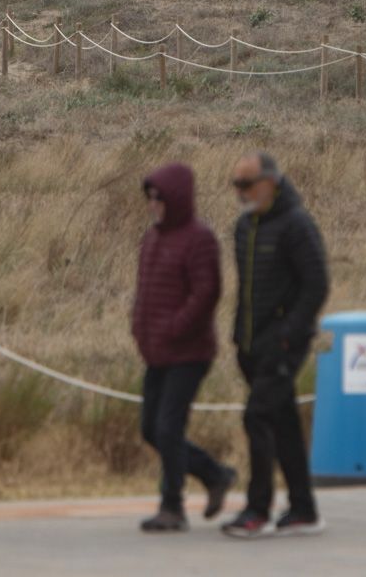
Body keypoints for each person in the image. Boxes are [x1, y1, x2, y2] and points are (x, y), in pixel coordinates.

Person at [222, 152, 329, 539]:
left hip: (284, 345)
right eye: (236, 185)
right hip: (251, 346)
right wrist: (240, 338)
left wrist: (288, 333)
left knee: (257, 417)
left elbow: (316, 285)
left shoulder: (296, 225)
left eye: (246, 184)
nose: (240, 192)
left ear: (271, 182)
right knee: (283, 423)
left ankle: (257, 510)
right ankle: (303, 509)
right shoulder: (244, 227)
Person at [131, 162, 236, 533]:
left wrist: (174, 328)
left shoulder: (199, 238)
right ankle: (215, 474)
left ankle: (172, 506)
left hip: (189, 353)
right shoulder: (153, 237)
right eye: (150, 198)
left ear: (175, 198)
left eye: (158, 198)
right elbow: (144, 291)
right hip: (157, 351)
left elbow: (207, 292)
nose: (153, 205)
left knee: (168, 428)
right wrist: (139, 329)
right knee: (150, 428)